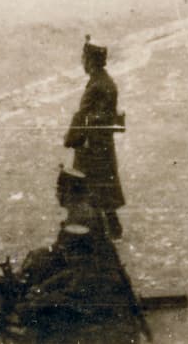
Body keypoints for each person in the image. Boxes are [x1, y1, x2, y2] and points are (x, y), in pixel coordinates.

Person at [64, 36, 126, 239]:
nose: (82, 62)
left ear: (90, 61)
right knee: (101, 186)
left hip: (93, 144)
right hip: (99, 143)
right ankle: (110, 225)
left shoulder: (99, 85)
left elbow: (92, 116)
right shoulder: (103, 81)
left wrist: (75, 135)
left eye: (84, 58)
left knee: (90, 185)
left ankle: (107, 228)